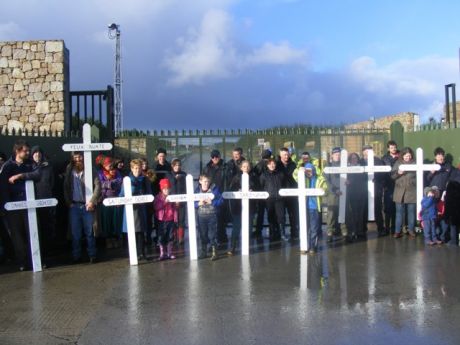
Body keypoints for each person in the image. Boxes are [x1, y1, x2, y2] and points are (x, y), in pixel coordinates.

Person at [0, 140, 40, 270]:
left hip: (30, 203)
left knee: (32, 232)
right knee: (17, 235)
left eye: (28, 150)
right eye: (25, 151)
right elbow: (3, 187)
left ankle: (34, 260)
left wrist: (20, 175)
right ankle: (22, 262)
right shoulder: (7, 166)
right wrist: (6, 207)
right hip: (14, 206)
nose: (28, 153)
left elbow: (38, 174)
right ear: (17, 151)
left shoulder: (30, 164)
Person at [64, 151, 101, 264]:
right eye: (75, 156)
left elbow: (98, 185)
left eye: (80, 156)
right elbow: (65, 186)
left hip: (87, 205)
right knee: (76, 234)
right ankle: (77, 256)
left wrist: (92, 201)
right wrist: (68, 202)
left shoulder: (90, 169)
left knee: (90, 232)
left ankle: (92, 255)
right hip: (74, 205)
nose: (78, 159)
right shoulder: (69, 169)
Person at [119, 159, 152, 261]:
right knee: (131, 232)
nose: (137, 170)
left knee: (141, 232)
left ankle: (142, 253)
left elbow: (149, 193)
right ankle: (134, 254)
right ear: (132, 168)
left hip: (141, 209)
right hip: (130, 210)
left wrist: (145, 199)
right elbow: (121, 194)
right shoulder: (127, 180)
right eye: (135, 168)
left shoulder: (145, 179)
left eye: (139, 168)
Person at [31, 145, 56, 264]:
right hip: (33, 202)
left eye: (39, 153)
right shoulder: (29, 167)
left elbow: (52, 183)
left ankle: (48, 252)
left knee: (47, 227)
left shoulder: (48, 167)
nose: (37, 155)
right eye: (35, 153)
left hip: (47, 201)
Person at [227, 160, 257, 255]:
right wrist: (238, 190)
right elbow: (231, 189)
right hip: (238, 206)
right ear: (241, 168)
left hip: (250, 206)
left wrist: (253, 190)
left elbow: (258, 188)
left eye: (248, 166)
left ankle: (247, 246)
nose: (246, 168)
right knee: (236, 227)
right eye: (244, 166)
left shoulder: (254, 177)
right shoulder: (236, 177)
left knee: (249, 227)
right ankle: (233, 247)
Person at [299, 163, 327, 254]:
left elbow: (325, 189)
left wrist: (322, 190)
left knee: (314, 228)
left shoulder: (320, 179)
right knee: (305, 228)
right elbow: (294, 174)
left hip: (315, 207)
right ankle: (305, 245)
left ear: (313, 170)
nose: (308, 172)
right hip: (304, 208)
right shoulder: (302, 179)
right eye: (306, 171)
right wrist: (300, 169)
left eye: (310, 170)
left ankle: (313, 246)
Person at [195, 175, 223, 261]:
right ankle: (204, 252)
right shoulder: (197, 190)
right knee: (203, 235)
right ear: (200, 181)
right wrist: (197, 204)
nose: (206, 183)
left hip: (212, 216)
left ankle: (215, 253)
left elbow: (221, 201)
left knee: (212, 235)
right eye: (204, 181)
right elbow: (192, 202)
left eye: (208, 181)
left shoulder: (215, 189)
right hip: (201, 216)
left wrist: (213, 202)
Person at [202, 149, 228, 244]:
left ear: (220, 156)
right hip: (210, 194)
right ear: (211, 158)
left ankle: (222, 237)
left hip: (222, 193)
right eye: (213, 157)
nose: (215, 158)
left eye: (216, 156)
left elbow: (228, 179)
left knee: (221, 217)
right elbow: (203, 180)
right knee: (212, 217)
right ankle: (212, 239)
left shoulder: (225, 166)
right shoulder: (207, 167)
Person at [97, 157, 123, 249]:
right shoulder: (100, 173)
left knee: (116, 220)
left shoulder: (117, 172)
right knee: (106, 220)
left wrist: (108, 184)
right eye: (108, 164)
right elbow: (100, 184)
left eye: (111, 164)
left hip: (116, 200)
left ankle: (116, 238)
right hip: (105, 199)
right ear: (103, 165)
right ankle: (108, 239)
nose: (110, 166)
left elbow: (120, 182)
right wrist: (110, 183)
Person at [391, 147, 417, 239]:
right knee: (399, 213)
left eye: (409, 155)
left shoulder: (415, 164)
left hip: (412, 191)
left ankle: (411, 230)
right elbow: (392, 176)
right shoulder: (398, 163)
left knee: (411, 213)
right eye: (406, 155)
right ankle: (397, 231)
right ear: (402, 156)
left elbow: (420, 177)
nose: (408, 157)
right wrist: (398, 173)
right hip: (399, 192)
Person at [361, 145, 386, 236]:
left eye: (369, 151)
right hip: (363, 189)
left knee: (377, 208)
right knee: (364, 209)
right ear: (363, 152)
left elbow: (383, 174)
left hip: (376, 188)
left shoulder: (378, 161)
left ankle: (380, 228)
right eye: (365, 151)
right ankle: (363, 229)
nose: (367, 153)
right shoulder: (361, 162)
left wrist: (377, 179)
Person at [325, 147, 348, 242]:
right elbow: (327, 181)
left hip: (344, 192)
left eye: (339, 155)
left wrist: (349, 182)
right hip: (333, 194)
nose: (337, 156)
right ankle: (330, 232)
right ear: (332, 155)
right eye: (336, 154)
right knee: (331, 214)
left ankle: (344, 232)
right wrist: (334, 190)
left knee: (343, 212)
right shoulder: (328, 167)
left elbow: (349, 178)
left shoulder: (345, 166)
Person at [260, 158, 286, 241]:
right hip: (269, 199)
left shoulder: (280, 174)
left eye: (273, 164)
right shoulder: (264, 175)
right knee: (271, 217)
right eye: (270, 164)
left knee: (281, 217)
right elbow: (261, 186)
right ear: (267, 165)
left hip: (279, 199)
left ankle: (282, 233)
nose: (272, 165)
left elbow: (284, 184)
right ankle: (272, 233)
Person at [276, 147, 299, 240]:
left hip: (292, 193)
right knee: (281, 216)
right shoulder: (277, 165)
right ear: (280, 155)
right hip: (280, 194)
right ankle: (282, 233)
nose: (286, 156)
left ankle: (294, 232)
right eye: (284, 154)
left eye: (287, 154)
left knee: (293, 214)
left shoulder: (293, 165)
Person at [154, 178, 178, 260]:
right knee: (161, 237)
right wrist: (165, 202)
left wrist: (177, 205)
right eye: (164, 189)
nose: (166, 190)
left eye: (168, 188)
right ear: (161, 189)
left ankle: (169, 253)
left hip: (170, 220)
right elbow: (156, 207)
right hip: (161, 220)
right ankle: (162, 253)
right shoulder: (158, 197)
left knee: (170, 236)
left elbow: (175, 209)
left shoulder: (172, 197)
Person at [345, 152, 367, 242]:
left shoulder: (362, 168)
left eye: (355, 158)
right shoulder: (347, 169)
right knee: (353, 214)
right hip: (352, 194)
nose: (354, 159)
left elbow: (365, 179)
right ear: (350, 160)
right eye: (352, 158)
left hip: (362, 193)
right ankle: (353, 231)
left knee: (361, 213)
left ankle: (360, 231)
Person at [166, 158, 187, 245]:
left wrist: (181, 177)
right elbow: (168, 186)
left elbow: (186, 187)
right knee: (173, 220)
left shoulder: (184, 174)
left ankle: (181, 238)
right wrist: (175, 178)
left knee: (181, 220)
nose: (177, 167)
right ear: (172, 166)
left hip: (182, 201)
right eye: (175, 165)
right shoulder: (168, 174)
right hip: (172, 202)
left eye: (179, 165)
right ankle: (174, 237)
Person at [382, 140, 399, 234]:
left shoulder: (400, 156)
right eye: (392, 147)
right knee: (388, 207)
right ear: (388, 148)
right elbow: (383, 173)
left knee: (396, 208)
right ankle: (386, 227)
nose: (394, 149)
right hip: (388, 185)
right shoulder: (384, 158)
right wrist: (384, 185)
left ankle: (394, 227)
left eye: (395, 147)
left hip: (398, 184)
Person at [253, 149, 272, 239]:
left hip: (260, 192)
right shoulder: (271, 164)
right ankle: (272, 230)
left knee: (260, 213)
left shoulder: (258, 165)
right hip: (269, 191)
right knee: (271, 212)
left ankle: (258, 230)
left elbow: (255, 177)